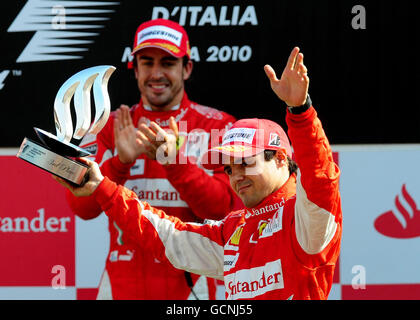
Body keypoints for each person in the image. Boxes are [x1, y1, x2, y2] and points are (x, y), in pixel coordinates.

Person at [58, 47, 342, 300]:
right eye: (229, 169)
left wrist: (301, 112)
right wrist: (102, 184)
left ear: (281, 158)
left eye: (245, 163)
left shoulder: (305, 221)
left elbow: (320, 177)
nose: (236, 176)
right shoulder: (233, 232)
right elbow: (169, 235)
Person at [65, 18, 240, 300]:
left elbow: (223, 211)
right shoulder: (109, 127)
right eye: (147, 62)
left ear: (187, 68)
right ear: (134, 69)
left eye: (168, 63)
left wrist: (175, 164)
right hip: (120, 286)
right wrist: (120, 163)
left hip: (191, 287)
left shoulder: (218, 127)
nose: (156, 73)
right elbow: (82, 208)